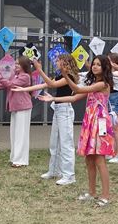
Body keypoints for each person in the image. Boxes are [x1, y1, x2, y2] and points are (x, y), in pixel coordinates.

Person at [39, 55, 115, 207]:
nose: (94, 67)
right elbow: (74, 98)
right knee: (89, 159)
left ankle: (105, 195)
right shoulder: (93, 82)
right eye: (93, 64)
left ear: (104, 68)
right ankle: (92, 192)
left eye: (98, 65)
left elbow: (78, 88)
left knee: (100, 160)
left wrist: (66, 75)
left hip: (100, 121)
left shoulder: (103, 84)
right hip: (89, 121)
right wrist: (53, 99)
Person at [12, 55, 79, 185]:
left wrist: (39, 69)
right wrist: (24, 89)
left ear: (66, 63)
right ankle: (54, 170)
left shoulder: (69, 77)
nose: (56, 62)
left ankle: (69, 175)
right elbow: (43, 84)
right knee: (54, 142)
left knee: (66, 144)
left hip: (65, 110)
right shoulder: (61, 76)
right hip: (58, 109)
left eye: (59, 60)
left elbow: (52, 84)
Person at [0, 56, 33, 167]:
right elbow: (1, 85)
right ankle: (15, 158)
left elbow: (9, 85)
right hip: (15, 107)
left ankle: (20, 160)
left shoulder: (26, 77)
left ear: (24, 66)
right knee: (14, 134)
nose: (15, 66)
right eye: (16, 63)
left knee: (21, 134)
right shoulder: (15, 76)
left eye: (18, 64)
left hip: (23, 107)